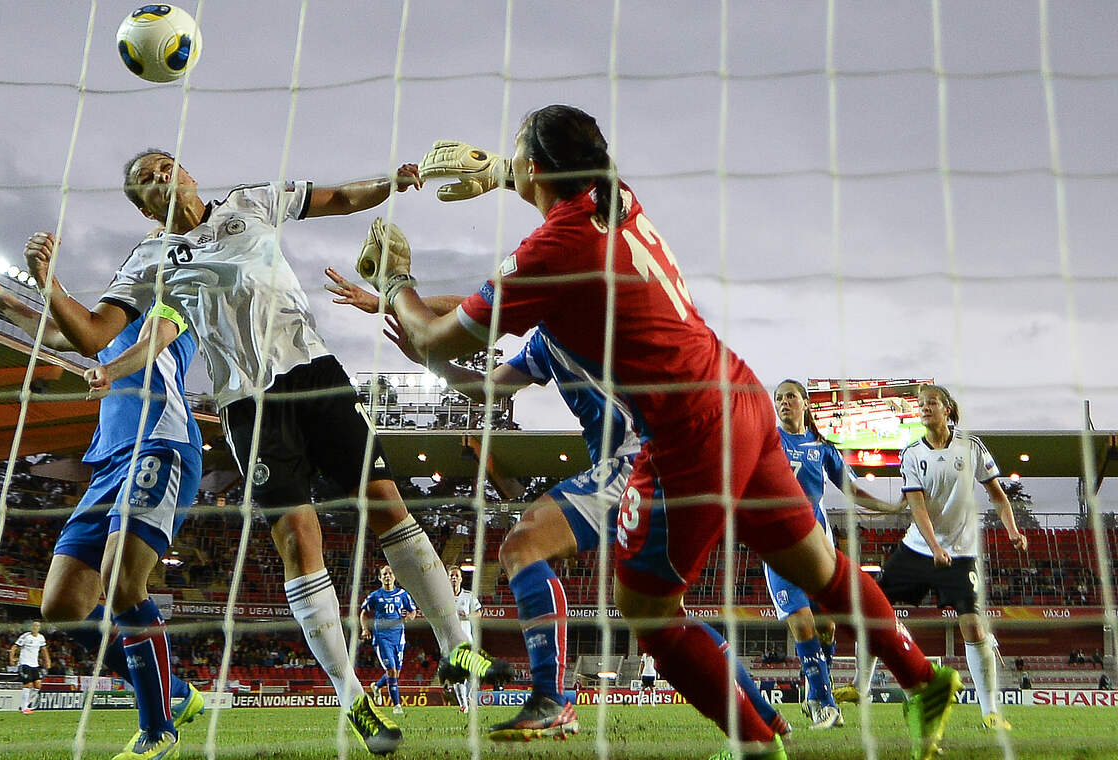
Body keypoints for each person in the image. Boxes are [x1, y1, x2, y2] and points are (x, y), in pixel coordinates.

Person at [359, 104, 959, 760]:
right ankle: (924, 680)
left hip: (685, 434)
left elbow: (436, 340)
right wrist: (504, 171)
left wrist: (395, 282)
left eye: (516, 153)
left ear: (539, 167)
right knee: (821, 568)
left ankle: (758, 742)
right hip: (739, 395)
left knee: (648, 613)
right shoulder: (615, 198)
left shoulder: (550, 252)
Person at [29, 150, 509, 757]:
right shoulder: (150, 260)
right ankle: (350, 695)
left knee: (386, 502)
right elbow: (96, 332)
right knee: (299, 540)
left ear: (187, 173)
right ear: (142, 206)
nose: (156, 177)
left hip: (316, 374)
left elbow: (336, 196)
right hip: (248, 405)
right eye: (142, 180)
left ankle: (455, 644)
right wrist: (51, 284)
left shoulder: (250, 202)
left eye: (161, 166)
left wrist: (392, 182)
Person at [326, 273, 792, 743]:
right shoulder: (545, 345)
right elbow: (489, 388)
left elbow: (483, 310)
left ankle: (552, 697)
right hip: (663, 466)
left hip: (639, 461)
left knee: (523, 545)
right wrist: (423, 342)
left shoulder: (587, 305)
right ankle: (763, 717)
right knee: (664, 616)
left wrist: (401, 302)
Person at [0, 272, 205, 758]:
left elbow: (153, 343)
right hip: (108, 462)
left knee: (120, 580)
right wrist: (5, 298)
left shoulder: (177, 292)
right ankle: (176, 691)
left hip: (158, 443)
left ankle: (158, 731)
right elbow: (57, 330)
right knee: (61, 604)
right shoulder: (107, 320)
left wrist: (111, 370)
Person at [839, 385, 1026, 733]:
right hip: (917, 549)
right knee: (874, 608)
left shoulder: (971, 447)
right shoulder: (911, 454)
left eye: (932, 403)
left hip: (961, 553)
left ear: (948, 408)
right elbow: (918, 506)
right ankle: (860, 687)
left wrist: (1012, 531)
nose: (925, 408)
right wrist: (934, 547)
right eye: (921, 404)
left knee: (971, 625)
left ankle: (990, 712)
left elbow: (998, 497)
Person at [767, 380, 900, 730]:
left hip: (818, 546)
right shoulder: (768, 440)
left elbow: (851, 488)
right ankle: (826, 705)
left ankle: (814, 693)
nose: (783, 403)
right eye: (778, 398)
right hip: (778, 546)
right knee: (803, 623)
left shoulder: (822, 447)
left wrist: (890, 507)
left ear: (805, 404)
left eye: (790, 397)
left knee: (826, 626)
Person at [361, 565, 417, 715]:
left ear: (394, 577)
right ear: (380, 578)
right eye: (384, 574)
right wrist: (365, 629)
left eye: (390, 573)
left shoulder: (402, 594)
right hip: (382, 638)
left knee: (395, 673)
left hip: (399, 637)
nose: (387, 576)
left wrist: (409, 617)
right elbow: (363, 613)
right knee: (391, 671)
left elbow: (413, 611)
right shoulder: (375, 596)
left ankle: (377, 687)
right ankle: (397, 705)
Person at [446, 564, 481, 713]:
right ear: (448, 579)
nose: (454, 578)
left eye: (456, 576)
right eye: (451, 576)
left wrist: (468, 616)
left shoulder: (468, 596)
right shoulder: (443, 597)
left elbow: (479, 613)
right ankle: (464, 705)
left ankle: (466, 698)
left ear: (461, 578)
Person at [10, 620, 51, 714]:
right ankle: (24, 708)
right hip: (24, 663)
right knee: (28, 685)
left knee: (38, 685)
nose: (35, 627)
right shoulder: (25, 636)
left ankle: (25, 705)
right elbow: (14, 647)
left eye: (37, 626)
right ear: (31, 627)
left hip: (34, 665)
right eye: (34, 626)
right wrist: (11, 659)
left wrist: (47, 660)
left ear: (40, 627)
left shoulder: (41, 638)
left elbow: (44, 650)